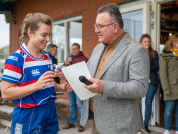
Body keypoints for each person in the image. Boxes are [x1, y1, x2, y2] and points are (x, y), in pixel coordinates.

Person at [55, 3, 149, 134]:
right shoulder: (98, 47)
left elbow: (140, 88)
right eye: (95, 26)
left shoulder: (136, 50)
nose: (96, 30)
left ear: (115, 27)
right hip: (97, 123)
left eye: (100, 26)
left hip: (121, 126)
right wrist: (67, 73)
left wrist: (105, 87)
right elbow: (87, 72)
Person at [1, 13, 72, 134]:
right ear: (30, 32)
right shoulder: (17, 59)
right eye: (44, 35)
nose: (48, 39)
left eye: (49, 35)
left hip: (49, 110)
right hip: (28, 114)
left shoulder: (47, 56)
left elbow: (47, 83)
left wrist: (60, 87)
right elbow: (6, 94)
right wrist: (36, 86)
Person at [62, 43, 88, 132]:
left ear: (79, 49)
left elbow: (88, 72)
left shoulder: (84, 59)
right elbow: (63, 70)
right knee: (72, 104)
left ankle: (81, 123)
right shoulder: (69, 59)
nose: (73, 51)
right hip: (70, 85)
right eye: (72, 49)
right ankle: (72, 122)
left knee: (80, 105)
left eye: (75, 49)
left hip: (79, 85)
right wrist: (65, 65)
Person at [139, 34, 159, 133]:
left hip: (152, 82)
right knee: (136, 103)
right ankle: (137, 124)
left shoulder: (154, 53)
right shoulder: (138, 53)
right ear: (141, 43)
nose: (147, 43)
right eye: (145, 41)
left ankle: (145, 125)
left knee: (148, 103)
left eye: (148, 41)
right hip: (140, 82)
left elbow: (157, 67)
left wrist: (146, 67)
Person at [159, 39, 178, 134]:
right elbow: (163, 75)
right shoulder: (164, 58)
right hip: (171, 88)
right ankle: (167, 129)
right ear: (172, 44)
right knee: (169, 109)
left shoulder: (177, 55)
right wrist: (166, 89)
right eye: (177, 42)